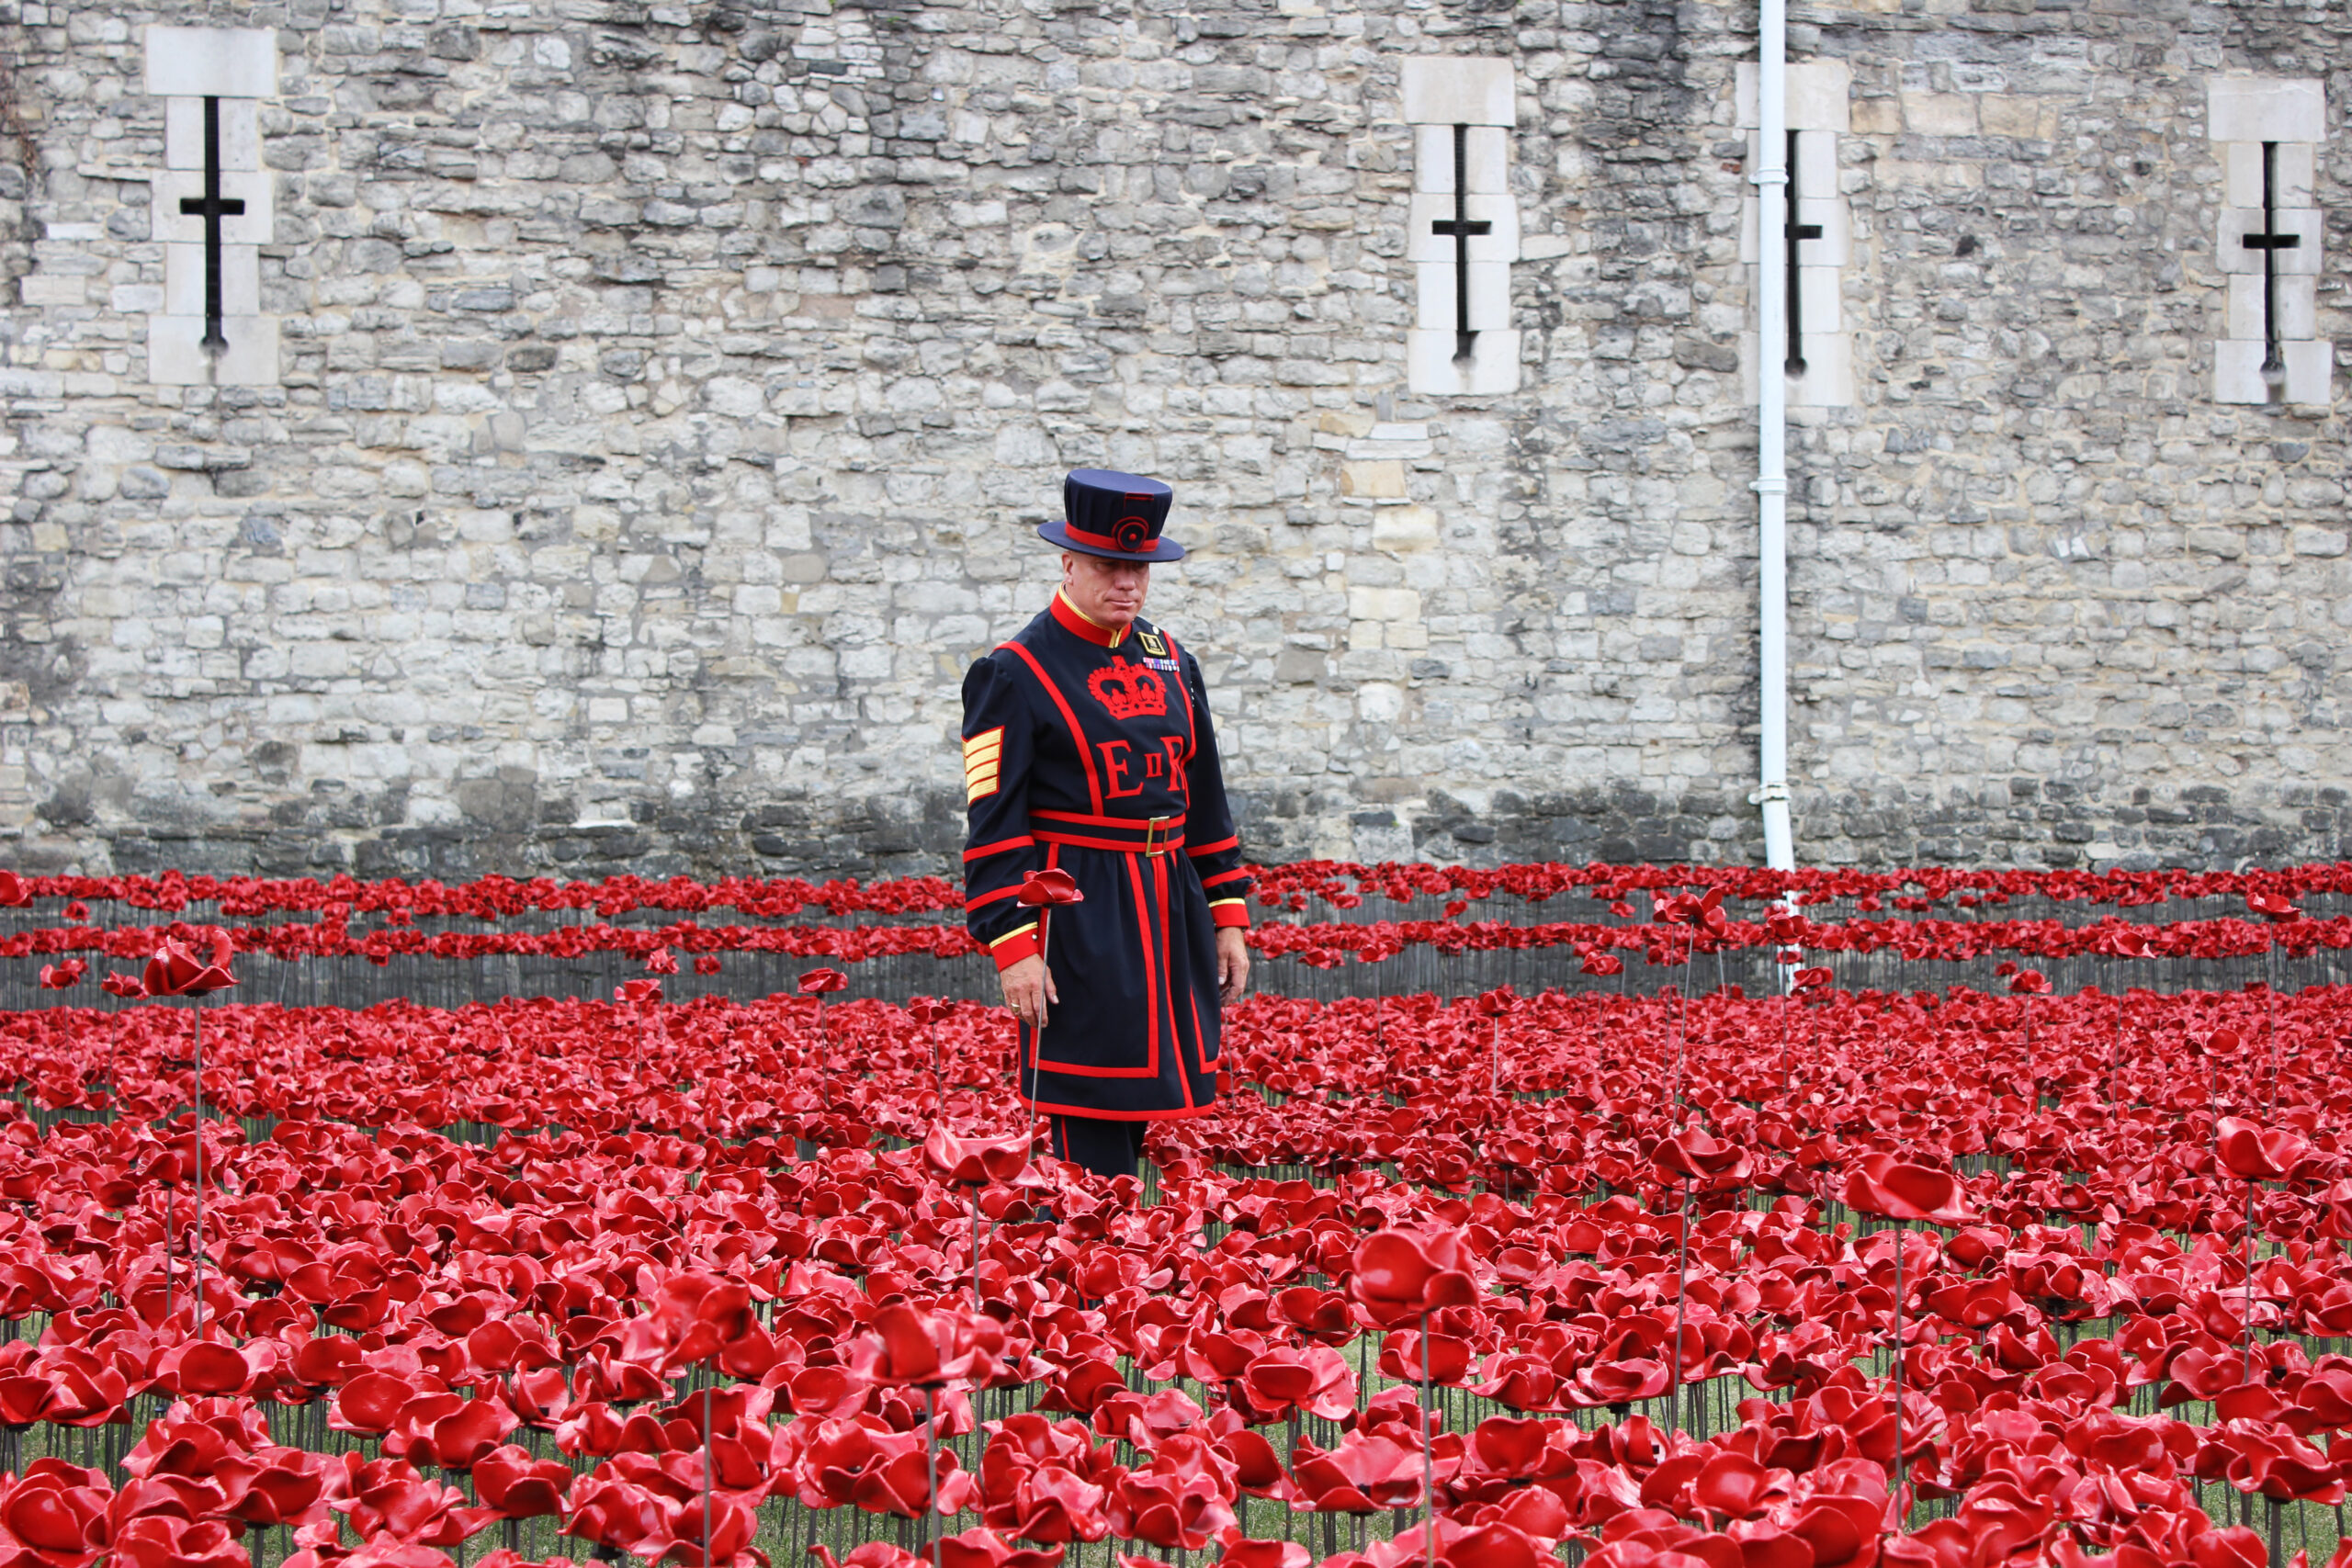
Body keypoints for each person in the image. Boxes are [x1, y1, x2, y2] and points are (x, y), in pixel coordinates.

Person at [958, 468, 1253, 1180]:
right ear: (1068, 563)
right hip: (1079, 914)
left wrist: (1228, 913)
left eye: (1139, 568)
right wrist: (1012, 943)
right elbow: (993, 825)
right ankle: (1087, 1278)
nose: (1127, 583)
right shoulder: (1013, 671)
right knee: (1087, 1114)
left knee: (1147, 1108)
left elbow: (1204, 797)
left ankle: (1118, 1266)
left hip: (1168, 904)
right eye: (1108, 566)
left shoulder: (1173, 659)